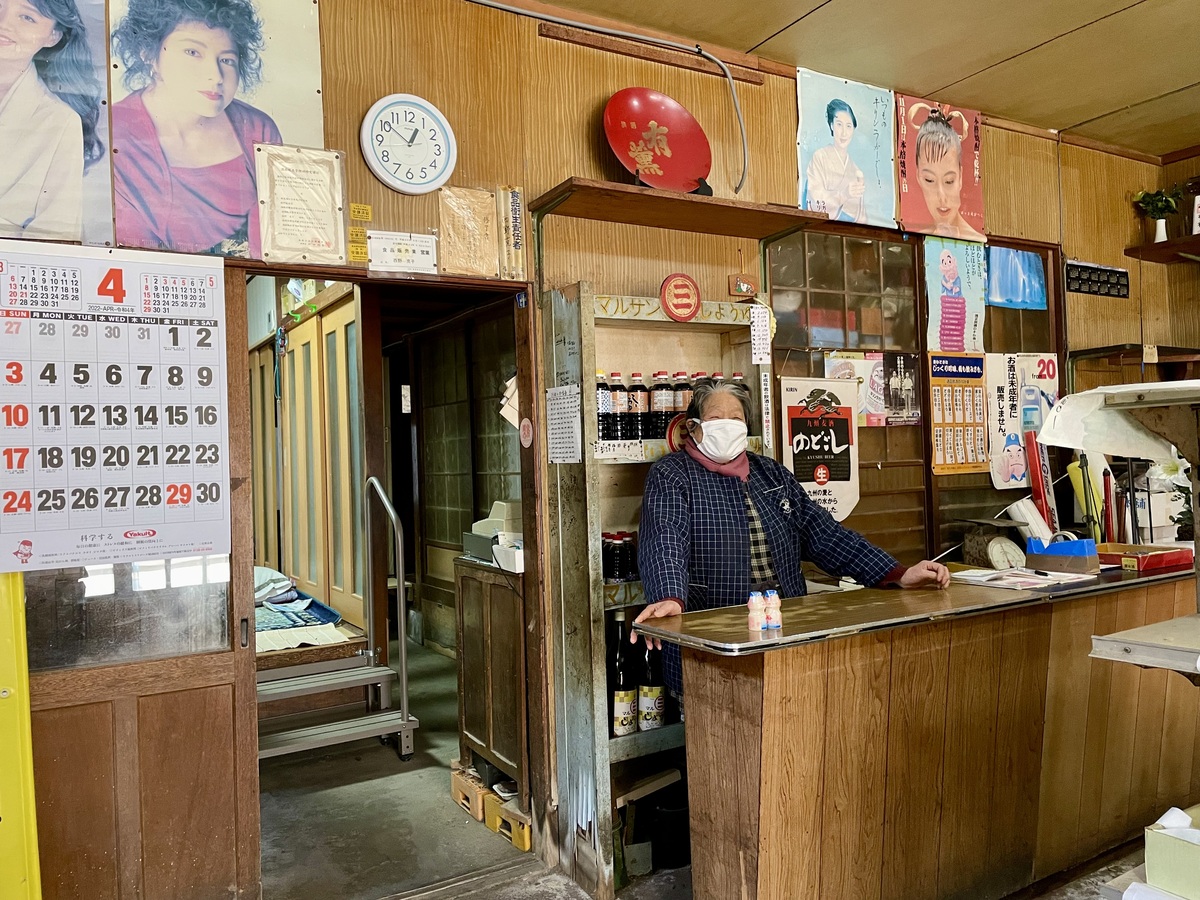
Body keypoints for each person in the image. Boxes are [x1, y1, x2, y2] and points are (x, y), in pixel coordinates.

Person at [631, 378, 950, 694]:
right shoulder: (672, 474)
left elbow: (825, 534)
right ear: (694, 427)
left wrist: (898, 573)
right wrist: (668, 598)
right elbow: (664, 539)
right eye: (716, 419)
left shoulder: (771, 473)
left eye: (736, 418)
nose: (727, 425)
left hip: (785, 636)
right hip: (712, 644)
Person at [110, 0, 281, 258]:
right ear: (148, 52)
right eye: (192, 52)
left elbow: (272, 250)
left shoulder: (258, 130)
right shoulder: (112, 130)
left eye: (227, 59)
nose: (215, 75)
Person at [0, 0, 104, 240]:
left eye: (27, 17)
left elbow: (57, 232)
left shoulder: (60, 121)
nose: (4, 23)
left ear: (53, 36)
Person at [913, 105, 984, 241]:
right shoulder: (916, 240)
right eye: (929, 180)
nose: (942, 196)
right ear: (918, 178)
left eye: (949, 181)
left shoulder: (975, 240)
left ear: (960, 177)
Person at [804, 98, 866, 223]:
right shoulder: (820, 157)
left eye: (848, 126)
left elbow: (862, 216)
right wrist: (844, 194)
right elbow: (815, 199)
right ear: (831, 125)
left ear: (853, 129)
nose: (844, 133)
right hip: (819, 226)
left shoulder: (855, 170)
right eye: (839, 124)